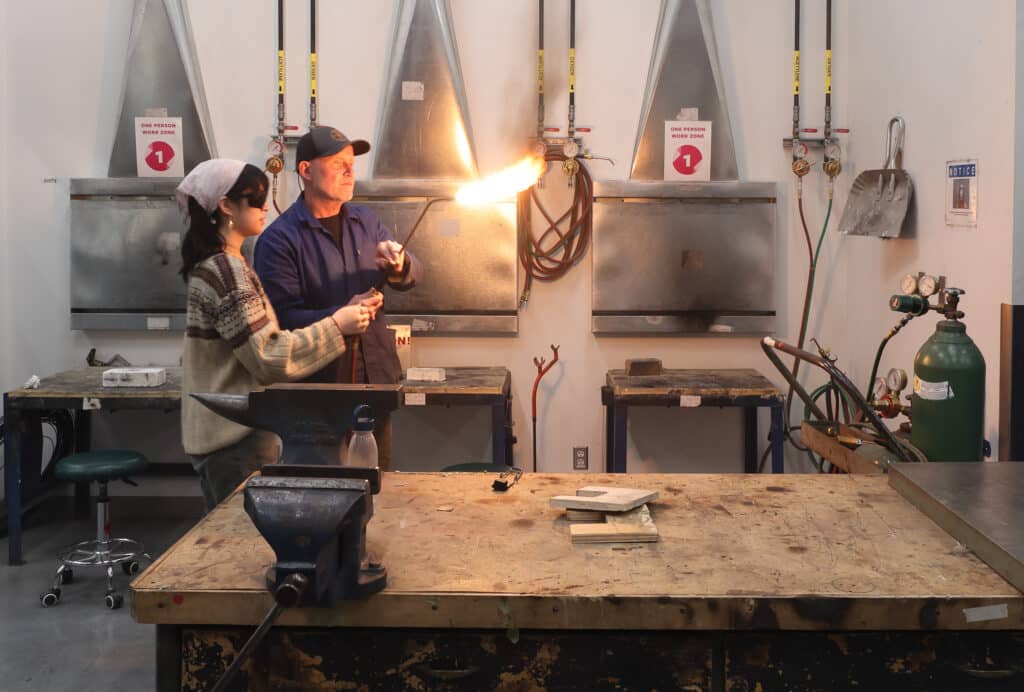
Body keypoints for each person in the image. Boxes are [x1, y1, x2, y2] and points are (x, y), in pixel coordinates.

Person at [177, 159, 374, 512]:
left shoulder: (225, 264)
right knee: (243, 546)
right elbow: (268, 357)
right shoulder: (225, 270)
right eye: (255, 198)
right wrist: (337, 324)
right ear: (226, 206)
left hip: (230, 434)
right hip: (233, 439)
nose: (265, 206)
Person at [254, 126, 423, 469]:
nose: (350, 171)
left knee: (378, 485)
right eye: (337, 163)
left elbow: (412, 273)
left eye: (351, 163)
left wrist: (399, 263)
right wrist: (341, 316)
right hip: (319, 392)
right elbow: (283, 322)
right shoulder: (279, 240)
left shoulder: (365, 221)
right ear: (305, 171)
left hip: (375, 382)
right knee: (324, 488)